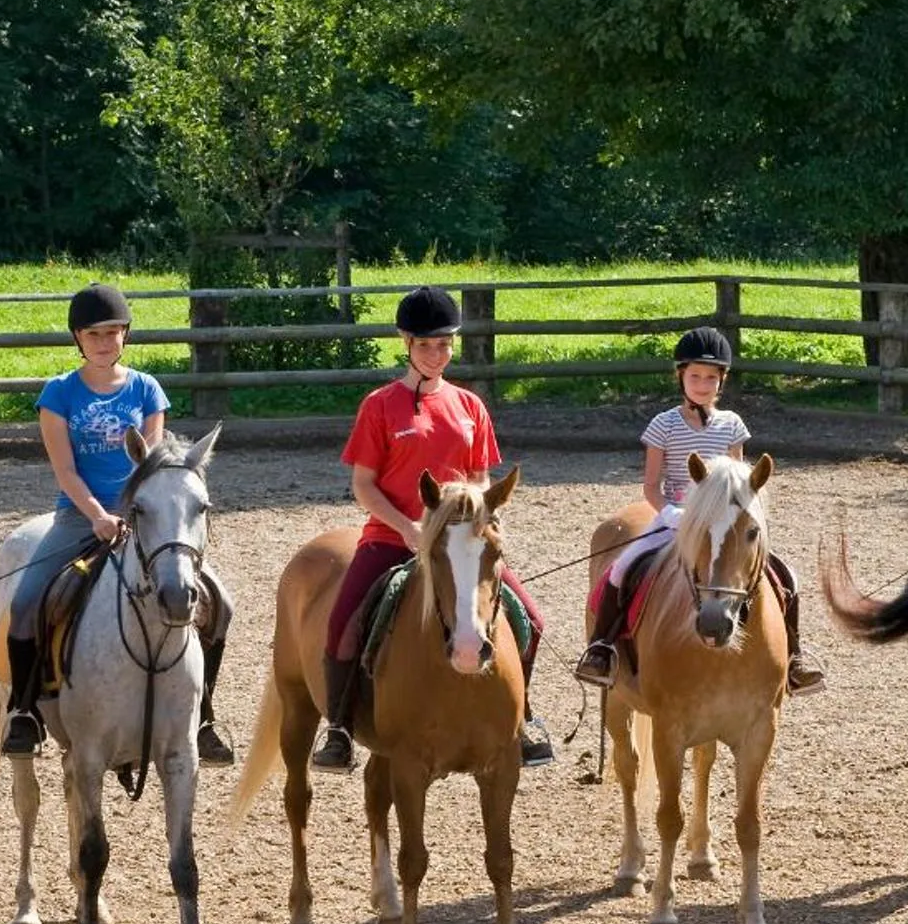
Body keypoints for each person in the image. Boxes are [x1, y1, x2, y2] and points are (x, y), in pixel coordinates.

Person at [310, 285, 556, 774]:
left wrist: (480, 521)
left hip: (461, 543)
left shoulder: (469, 406)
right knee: (342, 624)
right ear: (406, 342)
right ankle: (339, 727)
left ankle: (522, 717)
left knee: (530, 620)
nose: (436, 354)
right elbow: (363, 485)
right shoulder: (380, 406)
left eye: (444, 344)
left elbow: (481, 477)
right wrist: (407, 528)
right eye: (425, 344)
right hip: (392, 538)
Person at [1, 281, 235, 765]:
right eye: (94, 334)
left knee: (222, 605)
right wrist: (98, 516)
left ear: (125, 334)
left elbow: (154, 468)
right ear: (78, 338)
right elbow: (65, 471)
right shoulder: (58, 394)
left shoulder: (147, 390)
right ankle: (24, 711)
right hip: (78, 516)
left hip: (145, 518)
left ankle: (203, 715)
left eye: (113, 332)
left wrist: (131, 517)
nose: (105, 342)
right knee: (26, 603)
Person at [573, 326, 825, 694]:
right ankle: (602, 647)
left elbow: (741, 485)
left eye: (710, 378)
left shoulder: (732, 425)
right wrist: (670, 513)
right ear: (681, 377)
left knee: (785, 575)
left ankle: (795, 657)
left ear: (722, 380)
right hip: (675, 518)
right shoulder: (664, 425)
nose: (703, 385)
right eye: (695, 376)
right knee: (621, 569)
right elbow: (651, 486)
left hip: (724, 524)